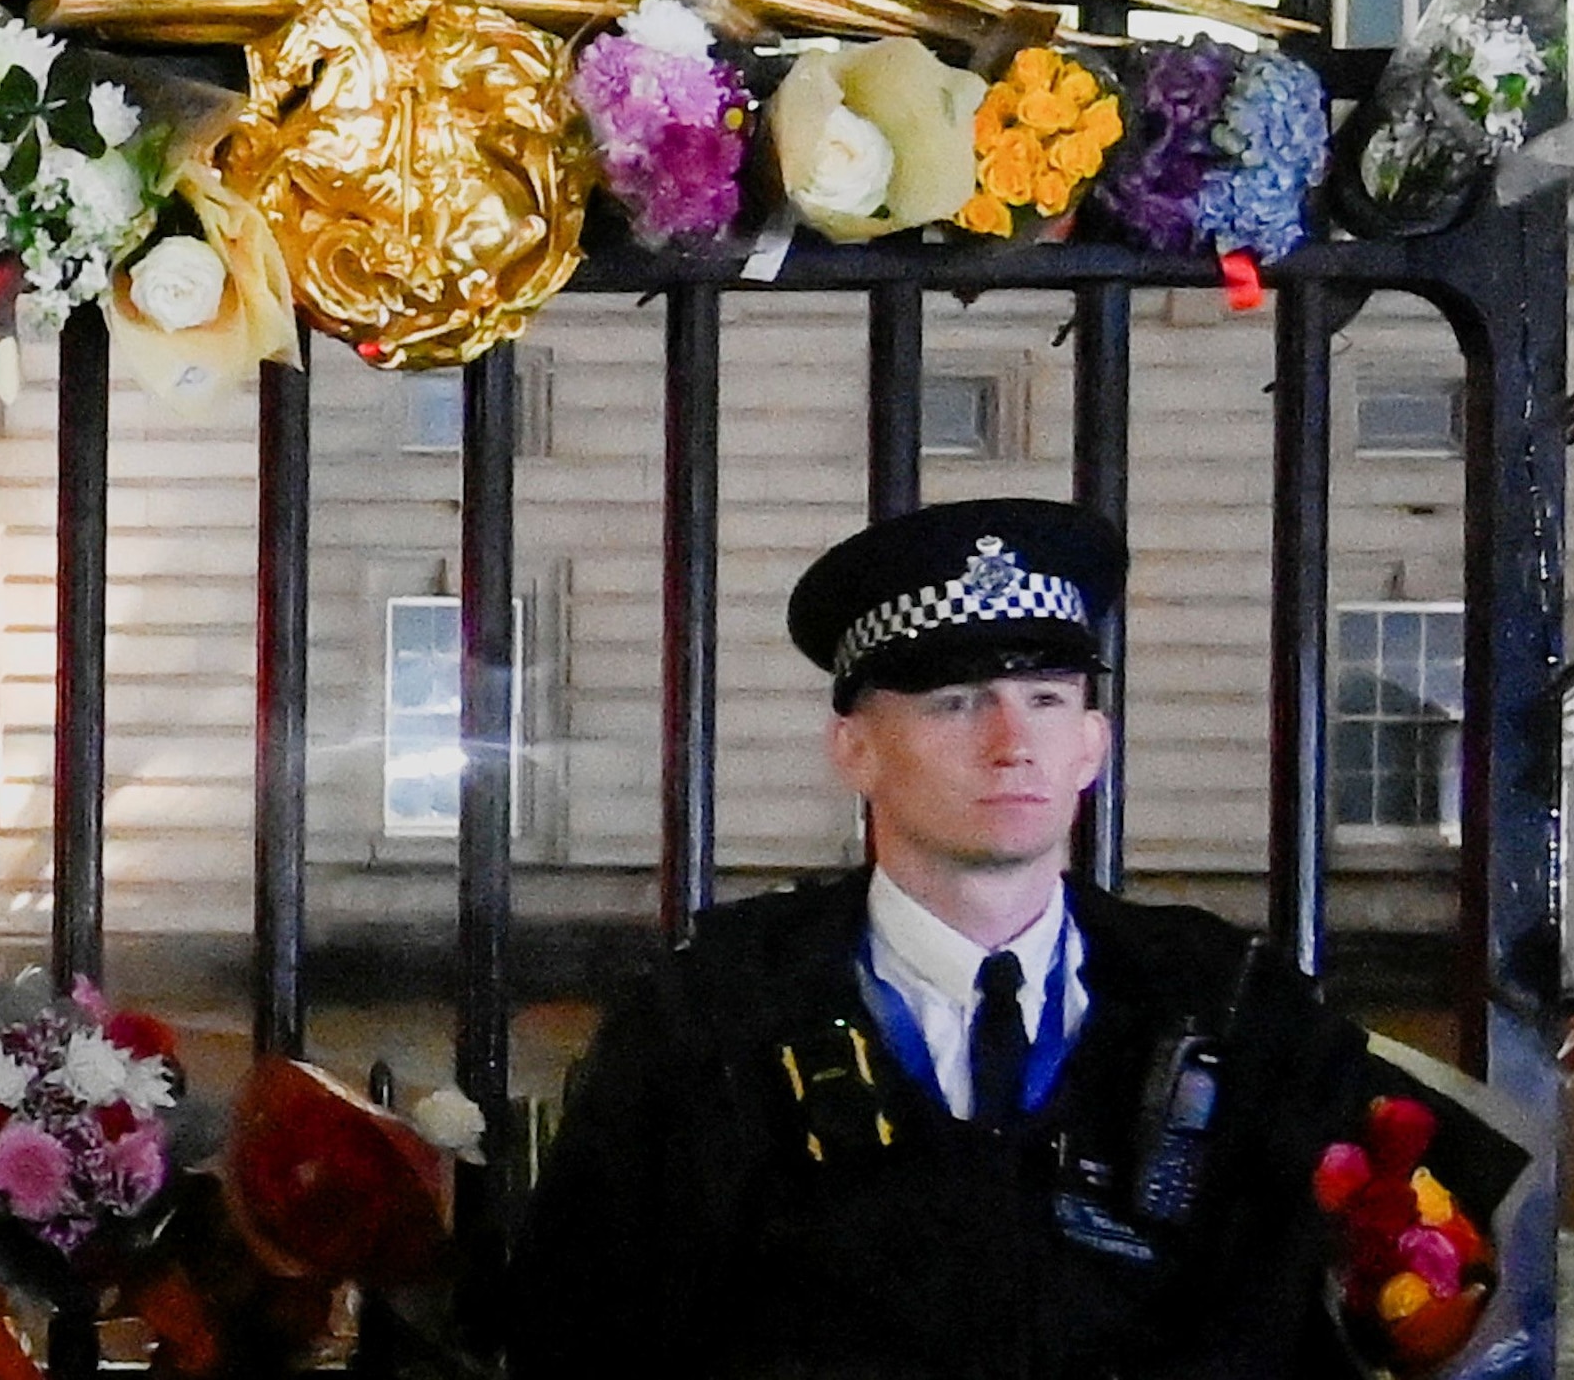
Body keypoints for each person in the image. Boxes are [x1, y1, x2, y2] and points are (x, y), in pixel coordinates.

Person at [497, 499, 1368, 1380]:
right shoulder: (707, 1022)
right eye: (956, 703)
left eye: (1046, 699)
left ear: (1091, 746)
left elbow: (1314, 1335)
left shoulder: (1237, 1008)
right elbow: (578, 1334)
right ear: (856, 751)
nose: (1012, 742)